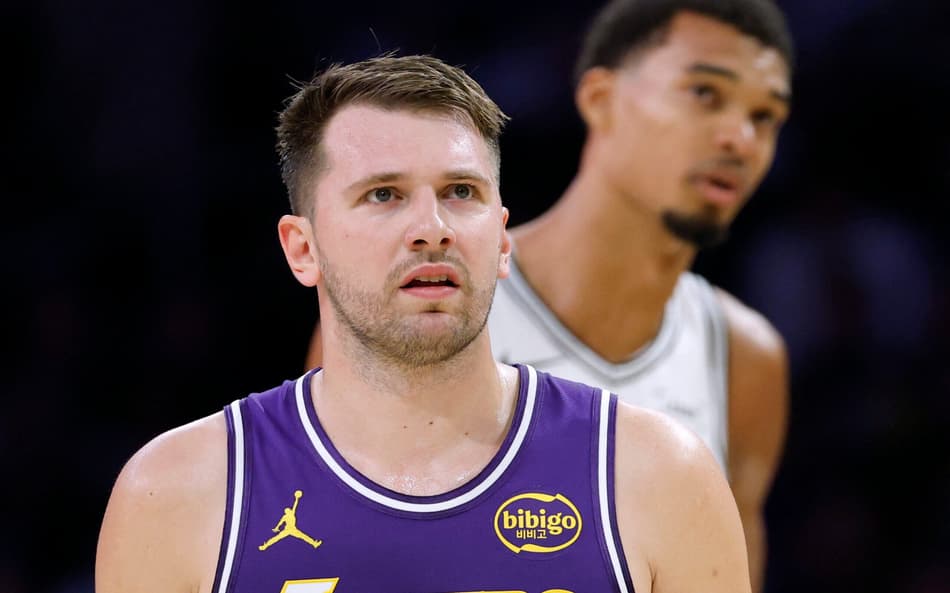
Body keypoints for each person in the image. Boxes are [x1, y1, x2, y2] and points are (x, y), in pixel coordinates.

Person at [97, 55, 752, 593]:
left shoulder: (659, 475)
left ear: (500, 240)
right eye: (383, 194)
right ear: (303, 248)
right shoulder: (178, 493)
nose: (431, 229)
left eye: (460, 193)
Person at [306, 2, 794, 591]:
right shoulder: (425, 294)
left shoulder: (745, 357)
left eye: (765, 116)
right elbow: (331, 545)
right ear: (600, 99)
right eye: (705, 94)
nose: (740, 138)